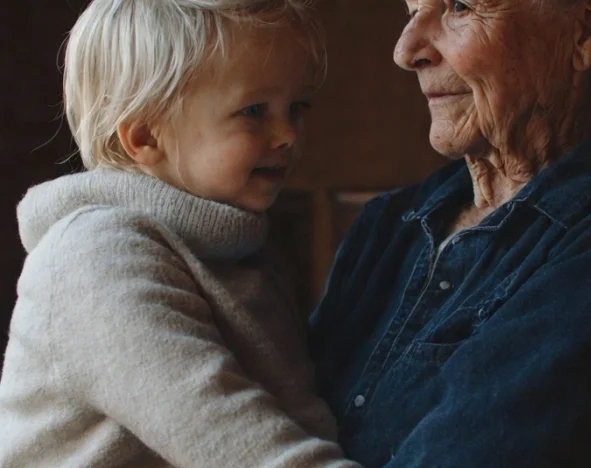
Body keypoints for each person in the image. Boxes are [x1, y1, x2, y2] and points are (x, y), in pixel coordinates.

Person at [309, 0, 591, 466]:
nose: (406, 50)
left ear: (586, 29)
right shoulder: (389, 224)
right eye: (412, 8)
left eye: (459, 7)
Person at [0, 1, 359, 467]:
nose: (287, 133)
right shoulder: (93, 256)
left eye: (296, 108)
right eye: (254, 111)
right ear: (146, 136)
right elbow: (228, 437)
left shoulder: (241, 254)